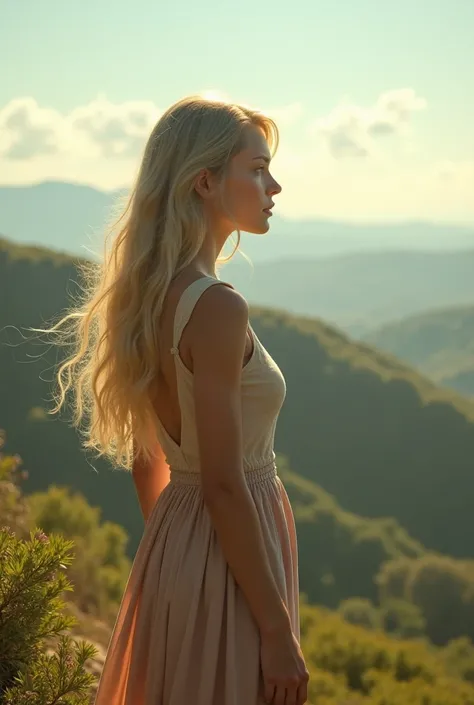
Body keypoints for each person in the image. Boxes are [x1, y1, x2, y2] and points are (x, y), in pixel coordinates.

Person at [43, 95, 309, 704]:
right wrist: (274, 629)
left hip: (179, 546)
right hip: (229, 550)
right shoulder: (217, 306)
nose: (274, 185)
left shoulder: (144, 299)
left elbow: (148, 461)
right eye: (258, 168)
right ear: (207, 181)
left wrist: (183, 558)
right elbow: (221, 481)